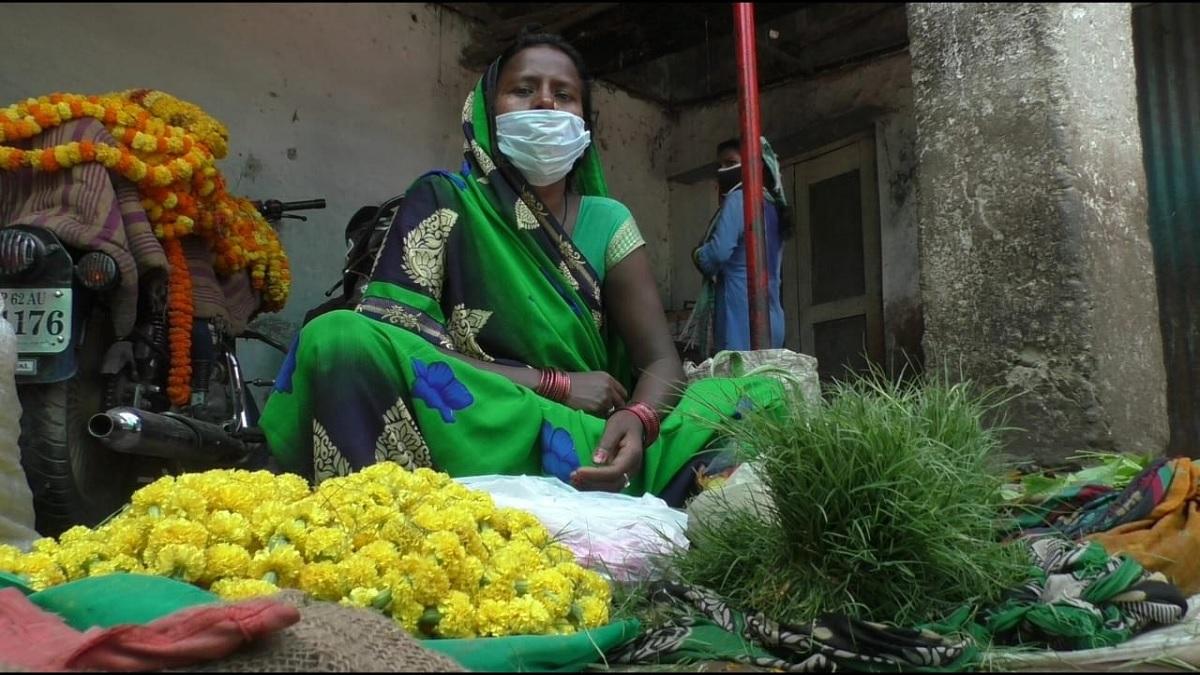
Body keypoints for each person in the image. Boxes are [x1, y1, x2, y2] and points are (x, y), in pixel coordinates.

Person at [258, 29, 783, 506]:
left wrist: (636, 418)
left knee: (761, 389)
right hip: (469, 417)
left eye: (564, 94)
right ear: (488, 110)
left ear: (585, 122)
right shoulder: (444, 200)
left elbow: (659, 362)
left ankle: (714, 508)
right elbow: (399, 344)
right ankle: (389, 516)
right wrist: (552, 382)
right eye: (524, 90)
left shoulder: (609, 220)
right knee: (338, 336)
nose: (545, 105)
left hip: (585, 438)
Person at [689, 137, 790, 353]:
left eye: (729, 163)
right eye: (720, 166)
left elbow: (718, 253)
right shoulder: (774, 208)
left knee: (736, 384)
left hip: (740, 315)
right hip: (772, 316)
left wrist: (698, 255)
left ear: (754, 165)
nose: (722, 171)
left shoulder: (739, 199)